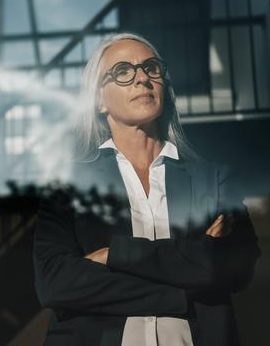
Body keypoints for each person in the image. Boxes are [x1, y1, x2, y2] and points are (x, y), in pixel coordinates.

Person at [32, 32, 261, 346]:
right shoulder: (68, 187)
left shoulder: (214, 179)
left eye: (151, 68)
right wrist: (187, 281)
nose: (141, 78)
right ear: (99, 100)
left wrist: (116, 255)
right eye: (123, 71)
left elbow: (234, 266)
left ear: (164, 87)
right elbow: (55, 284)